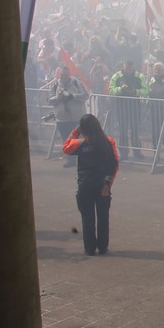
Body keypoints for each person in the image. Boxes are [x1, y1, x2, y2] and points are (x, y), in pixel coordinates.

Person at [62, 113, 120, 256]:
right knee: (103, 218)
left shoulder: (80, 143)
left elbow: (66, 147)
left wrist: (76, 130)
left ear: (83, 129)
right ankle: (103, 247)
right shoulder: (108, 141)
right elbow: (114, 163)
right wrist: (107, 184)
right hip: (103, 186)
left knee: (87, 218)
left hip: (85, 185)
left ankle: (89, 248)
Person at [45, 64, 88, 167]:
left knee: (79, 140)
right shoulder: (55, 85)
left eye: (64, 75)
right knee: (67, 140)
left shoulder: (77, 83)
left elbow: (85, 95)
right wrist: (57, 98)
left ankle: (82, 160)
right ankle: (70, 160)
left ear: (69, 75)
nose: (62, 77)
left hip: (76, 118)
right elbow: (49, 99)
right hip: (62, 119)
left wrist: (72, 96)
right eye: (61, 75)